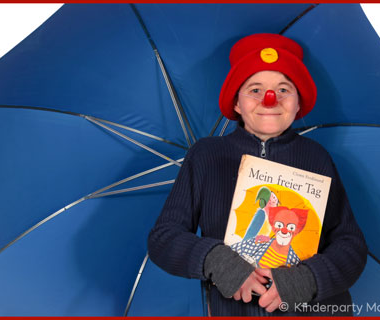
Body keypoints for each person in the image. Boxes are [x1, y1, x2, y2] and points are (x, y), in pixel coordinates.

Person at [148, 33, 367, 316]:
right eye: (255, 89)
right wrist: (217, 262)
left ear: (298, 103)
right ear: (237, 103)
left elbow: (351, 245)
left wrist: (308, 278)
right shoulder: (205, 156)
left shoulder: (317, 158)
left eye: (283, 89)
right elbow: (163, 238)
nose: (270, 99)